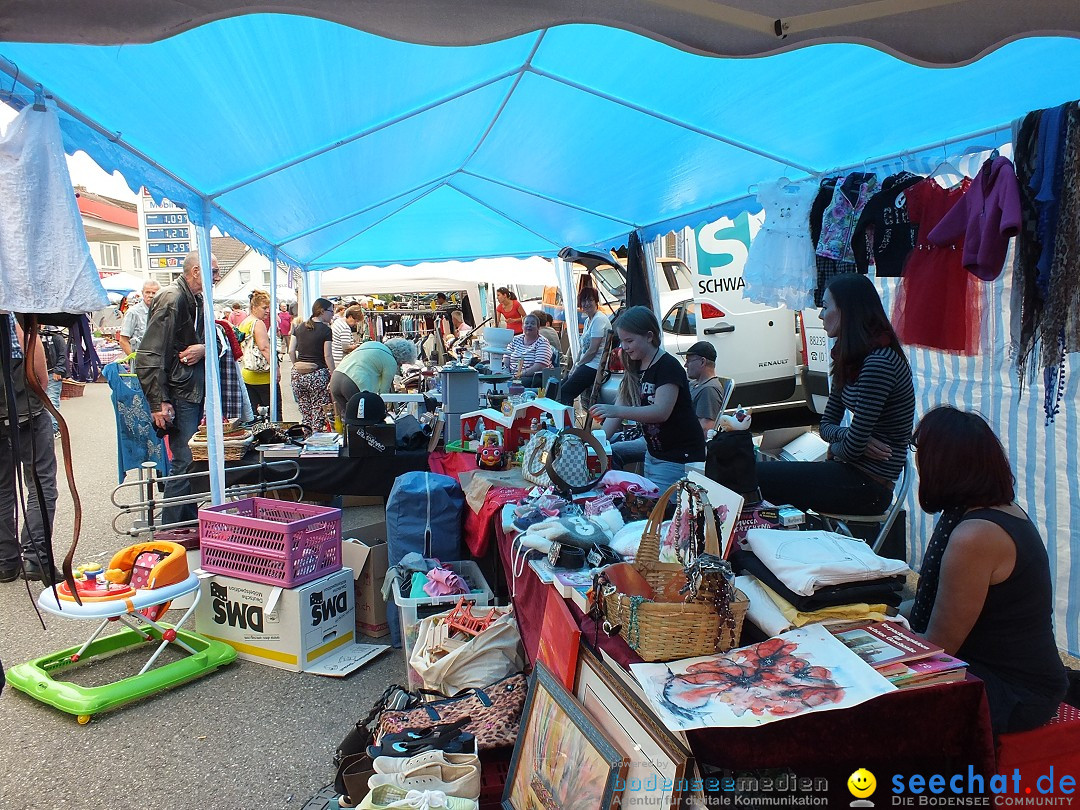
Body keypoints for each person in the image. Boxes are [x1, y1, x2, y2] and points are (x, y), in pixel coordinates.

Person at [908, 406, 1067, 734]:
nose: (919, 463)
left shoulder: (975, 535)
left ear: (943, 464)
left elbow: (938, 648)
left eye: (921, 453)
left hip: (1018, 692)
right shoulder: (992, 512)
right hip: (1006, 673)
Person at [756, 273, 915, 515]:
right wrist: (853, 437)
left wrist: (845, 444)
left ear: (847, 311)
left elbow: (849, 448)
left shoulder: (879, 363)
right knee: (748, 473)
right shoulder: (850, 356)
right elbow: (827, 425)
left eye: (825, 307)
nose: (820, 315)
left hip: (868, 486)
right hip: (851, 473)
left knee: (753, 476)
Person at [136, 251, 220, 526]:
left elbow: (216, 342)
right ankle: (171, 529)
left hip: (187, 390)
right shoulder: (173, 298)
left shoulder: (193, 298)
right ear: (196, 271)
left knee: (188, 461)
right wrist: (158, 401)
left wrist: (204, 349)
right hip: (180, 391)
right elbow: (149, 354)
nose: (217, 277)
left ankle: (185, 523)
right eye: (214, 271)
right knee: (183, 461)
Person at [589, 306, 704, 491]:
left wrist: (615, 410)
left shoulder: (668, 366)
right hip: (654, 454)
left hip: (679, 457)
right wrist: (594, 445)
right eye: (622, 341)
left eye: (630, 341)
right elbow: (619, 406)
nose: (624, 347)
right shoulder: (635, 366)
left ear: (650, 336)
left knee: (663, 512)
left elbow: (661, 412)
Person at [0, 315, 60, 584]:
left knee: (2, 488)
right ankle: (37, 559)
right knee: (40, 483)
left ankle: (6, 562)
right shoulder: (15, 311)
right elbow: (39, 378)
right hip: (26, 411)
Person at [329, 338, 418, 418]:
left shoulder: (372, 344)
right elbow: (383, 393)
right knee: (362, 420)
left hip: (336, 377)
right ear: (401, 359)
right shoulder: (391, 361)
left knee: (348, 418)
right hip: (353, 383)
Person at [558, 288, 610, 408]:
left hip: (594, 366)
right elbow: (583, 349)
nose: (586, 304)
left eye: (590, 300)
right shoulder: (588, 321)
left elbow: (593, 350)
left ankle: (567, 424)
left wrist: (578, 366)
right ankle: (558, 421)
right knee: (559, 388)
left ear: (596, 301)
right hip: (586, 364)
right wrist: (574, 366)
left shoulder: (599, 319)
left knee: (566, 392)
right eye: (584, 301)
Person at [289, 297, 335, 429]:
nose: (332, 315)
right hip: (317, 374)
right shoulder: (326, 330)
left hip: (298, 375)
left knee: (305, 411)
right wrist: (333, 373)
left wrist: (296, 365)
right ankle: (315, 442)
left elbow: (291, 351)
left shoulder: (298, 327)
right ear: (322, 311)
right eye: (331, 312)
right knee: (318, 412)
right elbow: (327, 355)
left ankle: (306, 436)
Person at [237, 289, 281, 419]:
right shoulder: (258, 323)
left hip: (248, 375)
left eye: (269, 307)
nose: (268, 310)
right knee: (274, 416)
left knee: (255, 417)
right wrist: (276, 368)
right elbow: (264, 347)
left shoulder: (244, 323)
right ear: (254, 307)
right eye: (264, 307)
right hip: (263, 377)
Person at [680, 341, 725, 433]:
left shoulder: (708, 390)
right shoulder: (694, 384)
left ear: (702, 362)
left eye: (689, 361)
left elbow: (706, 428)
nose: (685, 365)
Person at [505, 313, 553, 384]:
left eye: (533, 323)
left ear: (538, 327)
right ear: (522, 326)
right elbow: (506, 357)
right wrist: (506, 371)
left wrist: (519, 375)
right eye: (526, 323)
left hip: (531, 377)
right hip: (512, 375)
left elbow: (539, 367)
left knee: (513, 384)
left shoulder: (542, 342)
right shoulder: (515, 339)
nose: (529, 325)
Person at [117, 279, 160, 356]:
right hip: (140, 361)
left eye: (154, 293)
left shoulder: (162, 311)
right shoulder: (133, 312)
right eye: (147, 292)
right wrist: (134, 360)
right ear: (142, 293)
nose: (150, 295)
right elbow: (123, 341)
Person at [40, 324, 68, 439]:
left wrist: (59, 370)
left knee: (52, 401)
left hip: (52, 373)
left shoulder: (54, 334)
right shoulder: (32, 332)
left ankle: (54, 429)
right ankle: (46, 429)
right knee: (41, 403)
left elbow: (63, 354)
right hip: (38, 374)